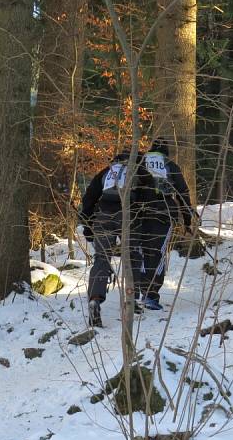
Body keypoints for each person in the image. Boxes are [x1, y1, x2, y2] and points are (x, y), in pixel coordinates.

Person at [79, 152, 143, 328]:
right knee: (132, 257)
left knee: (102, 258)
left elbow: (89, 199)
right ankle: (132, 299)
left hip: (103, 216)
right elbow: (146, 199)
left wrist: (87, 226)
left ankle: (94, 299)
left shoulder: (106, 172)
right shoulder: (137, 171)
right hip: (127, 216)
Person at [132, 139, 193, 310]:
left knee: (140, 252)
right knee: (157, 253)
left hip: (139, 214)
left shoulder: (139, 162)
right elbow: (182, 192)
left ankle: (135, 293)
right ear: (166, 152)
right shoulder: (169, 165)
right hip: (163, 214)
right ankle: (150, 296)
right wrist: (187, 219)